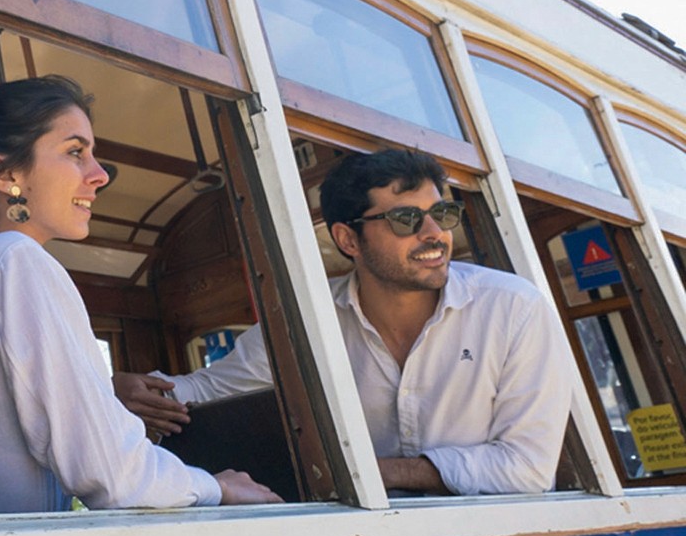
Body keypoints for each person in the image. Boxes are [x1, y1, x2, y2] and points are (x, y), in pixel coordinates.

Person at [0, 75, 280, 514]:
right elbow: (114, 475)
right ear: (7, 176)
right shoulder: (14, 260)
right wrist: (217, 486)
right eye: (75, 152)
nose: (99, 176)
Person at [124, 148, 572, 496]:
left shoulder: (513, 308)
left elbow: (528, 468)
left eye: (442, 215)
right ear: (348, 239)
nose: (434, 233)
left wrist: (370, 471)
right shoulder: (308, 324)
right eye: (405, 219)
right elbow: (205, 392)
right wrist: (120, 390)